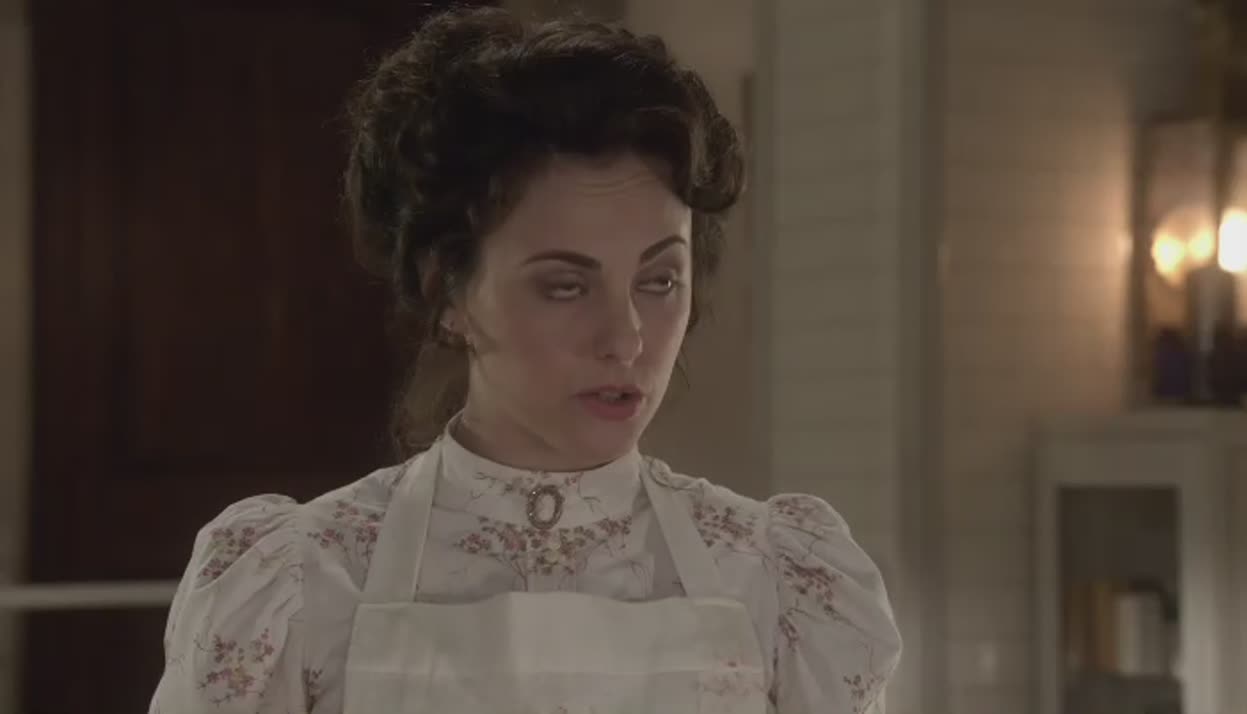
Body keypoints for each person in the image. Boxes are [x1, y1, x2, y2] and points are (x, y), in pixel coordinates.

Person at [148, 6, 901, 713]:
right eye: (565, 286)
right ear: (447, 290)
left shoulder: (774, 580)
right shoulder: (306, 582)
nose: (626, 338)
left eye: (658, 280)